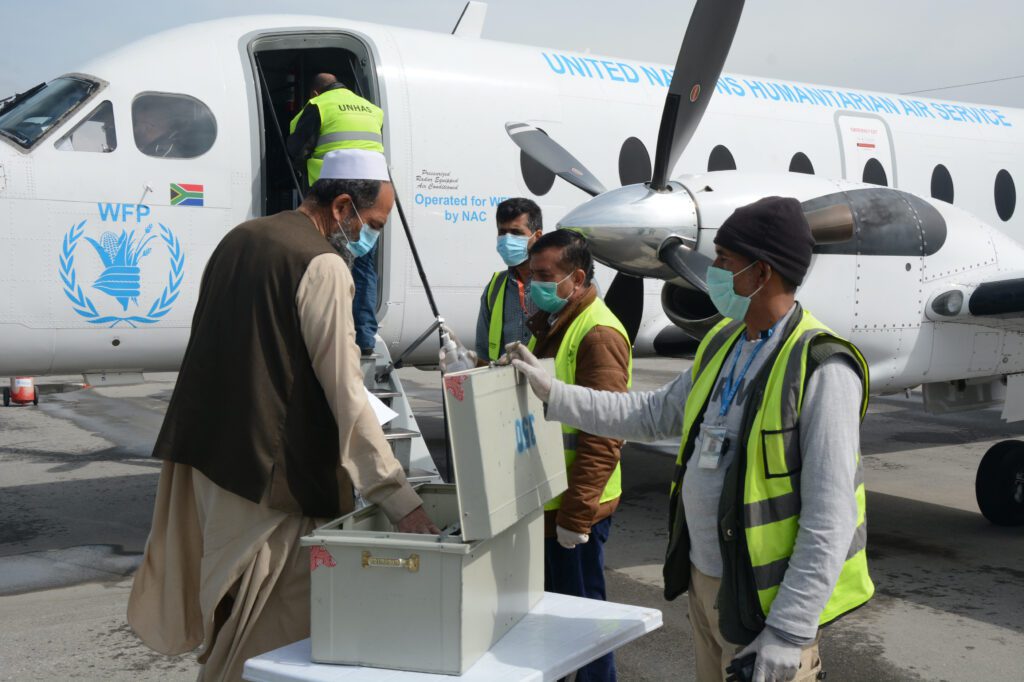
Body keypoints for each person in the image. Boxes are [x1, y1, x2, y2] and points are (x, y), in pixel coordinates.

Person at [508, 197, 873, 682]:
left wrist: (790, 630)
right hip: (709, 586)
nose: (712, 270)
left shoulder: (823, 367)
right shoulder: (725, 341)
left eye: (724, 261)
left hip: (764, 601)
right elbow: (653, 413)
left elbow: (831, 517)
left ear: (762, 273)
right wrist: (554, 393)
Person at [127, 149, 439, 682]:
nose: (371, 238)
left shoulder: (240, 238)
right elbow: (346, 391)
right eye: (374, 224)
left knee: (229, 609)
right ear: (343, 206)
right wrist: (399, 499)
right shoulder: (322, 264)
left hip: (207, 465)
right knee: (267, 641)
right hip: (271, 483)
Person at [526, 230, 631, 682]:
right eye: (532, 276)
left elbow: (604, 433)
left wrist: (577, 515)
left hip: (576, 511)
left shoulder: (598, 332)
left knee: (585, 623)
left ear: (578, 277)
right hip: (553, 505)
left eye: (545, 276)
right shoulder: (557, 323)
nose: (535, 286)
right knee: (556, 622)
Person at [288, 72, 385, 355]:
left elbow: (297, 149)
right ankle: (365, 339)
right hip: (371, 199)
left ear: (315, 93)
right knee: (364, 267)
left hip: (334, 202)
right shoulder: (372, 109)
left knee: (326, 264)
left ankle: (330, 334)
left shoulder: (318, 106)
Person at [475, 198, 544, 362]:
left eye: (516, 233)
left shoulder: (559, 284)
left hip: (550, 384)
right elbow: (483, 351)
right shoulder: (495, 287)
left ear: (538, 236)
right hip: (506, 384)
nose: (507, 239)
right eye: (502, 232)